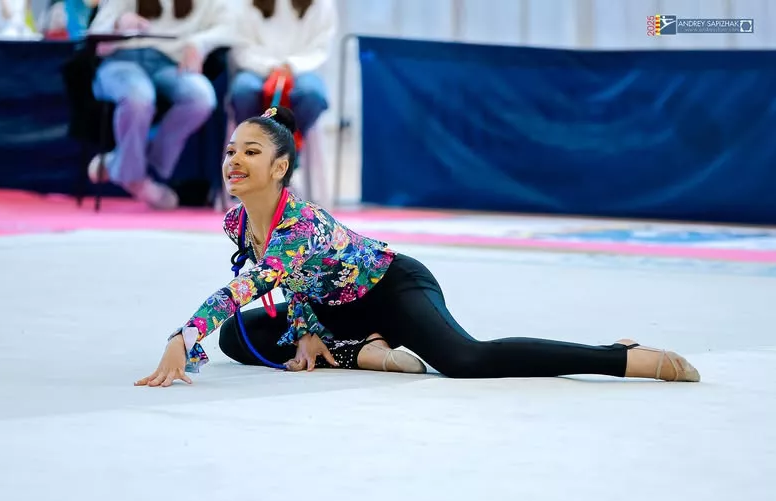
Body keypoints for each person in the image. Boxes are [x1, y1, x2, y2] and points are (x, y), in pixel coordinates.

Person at [135, 106, 701, 387]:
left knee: (464, 360)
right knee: (239, 333)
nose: (234, 160)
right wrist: (306, 326)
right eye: (232, 149)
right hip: (335, 309)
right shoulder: (237, 223)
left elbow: (253, 283)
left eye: (251, 152)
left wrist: (181, 337)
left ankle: (621, 356)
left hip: (393, 288)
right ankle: (362, 350)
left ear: (280, 167)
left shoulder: (299, 223)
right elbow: (286, 282)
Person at [87, 0, 234, 209]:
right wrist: (118, 24)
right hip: (120, 60)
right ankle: (135, 177)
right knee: (138, 97)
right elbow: (96, 39)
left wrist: (199, 43)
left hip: (170, 63)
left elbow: (231, 26)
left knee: (201, 98)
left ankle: (120, 162)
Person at [228, 0, 336, 138]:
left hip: (302, 70)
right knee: (243, 92)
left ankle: (291, 146)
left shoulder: (322, 4)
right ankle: (251, 144)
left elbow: (320, 48)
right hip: (257, 68)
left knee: (313, 94)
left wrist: (291, 66)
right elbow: (242, 47)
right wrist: (269, 67)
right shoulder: (247, 4)